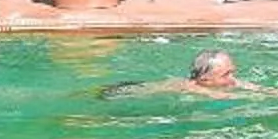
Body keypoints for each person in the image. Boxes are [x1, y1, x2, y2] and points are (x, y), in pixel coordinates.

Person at [101, 48, 249, 100]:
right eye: (226, 75)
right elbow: (225, 97)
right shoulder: (193, 88)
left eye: (232, 73)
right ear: (205, 79)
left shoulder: (225, 81)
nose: (233, 79)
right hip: (123, 92)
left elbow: (250, 87)